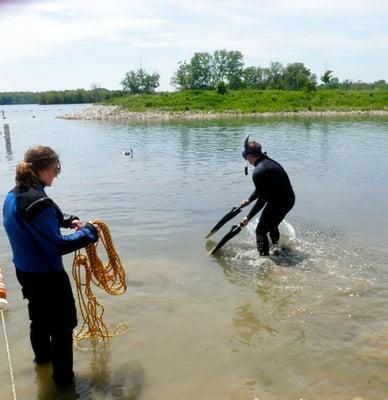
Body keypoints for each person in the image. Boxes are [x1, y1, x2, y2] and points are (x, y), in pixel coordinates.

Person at [2, 145, 98, 387]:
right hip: (48, 278)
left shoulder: (13, 195)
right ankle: (64, 385)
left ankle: (42, 364)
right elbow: (55, 246)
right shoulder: (39, 203)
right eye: (56, 169)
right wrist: (89, 233)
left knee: (39, 320)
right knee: (63, 328)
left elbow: (34, 222)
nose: (56, 173)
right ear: (44, 169)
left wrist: (68, 219)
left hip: (25, 272)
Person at [240, 135, 295, 256]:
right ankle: (275, 249)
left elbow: (263, 199)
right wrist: (249, 200)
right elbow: (261, 190)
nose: (246, 159)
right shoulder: (267, 161)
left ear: (249, 156)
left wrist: (248, 217)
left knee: (260, 230)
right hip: (289, 199)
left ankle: (264, 259)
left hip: (279, 202)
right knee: (272, 224)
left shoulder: (259, 172)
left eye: (246, 156)